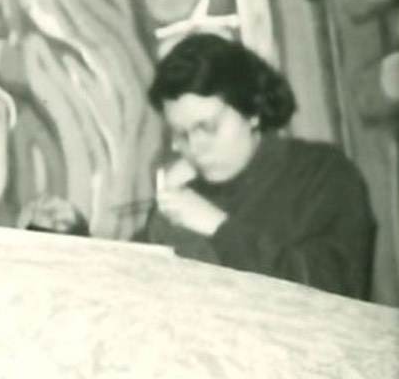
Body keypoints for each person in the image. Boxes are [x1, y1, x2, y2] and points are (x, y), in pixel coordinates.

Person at [138, 32, 375, 300]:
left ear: (251, 110)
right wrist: (160, 219)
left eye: (208, 127)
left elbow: (334, 288)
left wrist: (218, 227)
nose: (195, 146)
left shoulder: (322, 172)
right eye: (181, 134)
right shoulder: (186, 193)